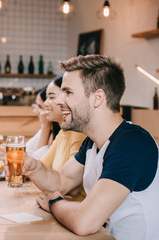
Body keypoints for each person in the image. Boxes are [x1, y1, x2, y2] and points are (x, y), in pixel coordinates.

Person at [23, 55, 159, 239]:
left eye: (68, 92)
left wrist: (54, 202)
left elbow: (84, 221)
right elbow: (62, 180)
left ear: (98, 98)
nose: (57, 101)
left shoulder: (132, 144)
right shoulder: (93, 142)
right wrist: (34, 169)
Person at [26, 86, 60, 160]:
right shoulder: (48, 129)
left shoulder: (60, 133)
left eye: (40, 107)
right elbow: (28, 149)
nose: (35, 111)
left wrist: (45, 127)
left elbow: (39, 161)